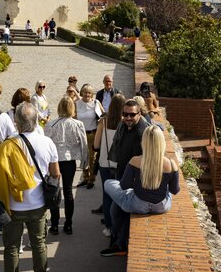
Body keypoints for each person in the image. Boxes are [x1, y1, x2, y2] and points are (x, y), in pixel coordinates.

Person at [0, 102, 59, 272]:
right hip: (38, 205)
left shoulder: (8, 145)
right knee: (39, 244)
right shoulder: (48, 143)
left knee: (11, 247)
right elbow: (55, 174)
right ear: (36, 121)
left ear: (16, 123)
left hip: (13, 206)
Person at [101, 125, 179, 257]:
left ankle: (115, 235)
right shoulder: (171, 164)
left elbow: (124, 185)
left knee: (109, 183)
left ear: (144, 142)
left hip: (137, 204)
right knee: (165, 192)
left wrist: (138, 182)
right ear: (162, 142)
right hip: (161, 206)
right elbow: (174, 190)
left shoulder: (135, 161)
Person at [43, 96, 87, 235]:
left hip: (54, 161)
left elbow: (45, 143)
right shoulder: (77, 124)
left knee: (54, 191)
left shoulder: (51, 124)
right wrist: (85, 162)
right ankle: (68, 224)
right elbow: (84, 144)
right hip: (69, 161)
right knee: (68, 191)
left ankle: (55, 224)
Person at [93, 93, 125, 233]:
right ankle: (119, 225)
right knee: (120, 194)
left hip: (105, 163)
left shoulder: (103, 122)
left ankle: (109, 227)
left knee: (107, 195)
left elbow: (96, 145)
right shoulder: (125, 123)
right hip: (120, 164)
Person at [76, 83, 103, 189]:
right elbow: (73, 116)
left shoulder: (96, 103)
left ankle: (92, 179)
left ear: (92, 94)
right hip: (81, 135)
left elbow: (103, 114)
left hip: (93, 134)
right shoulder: (77, 103)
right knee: (83, 157)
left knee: (92, 158)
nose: (87, 95)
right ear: (82, 93)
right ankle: (85, 177)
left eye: (89, 93)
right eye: (85, 92)